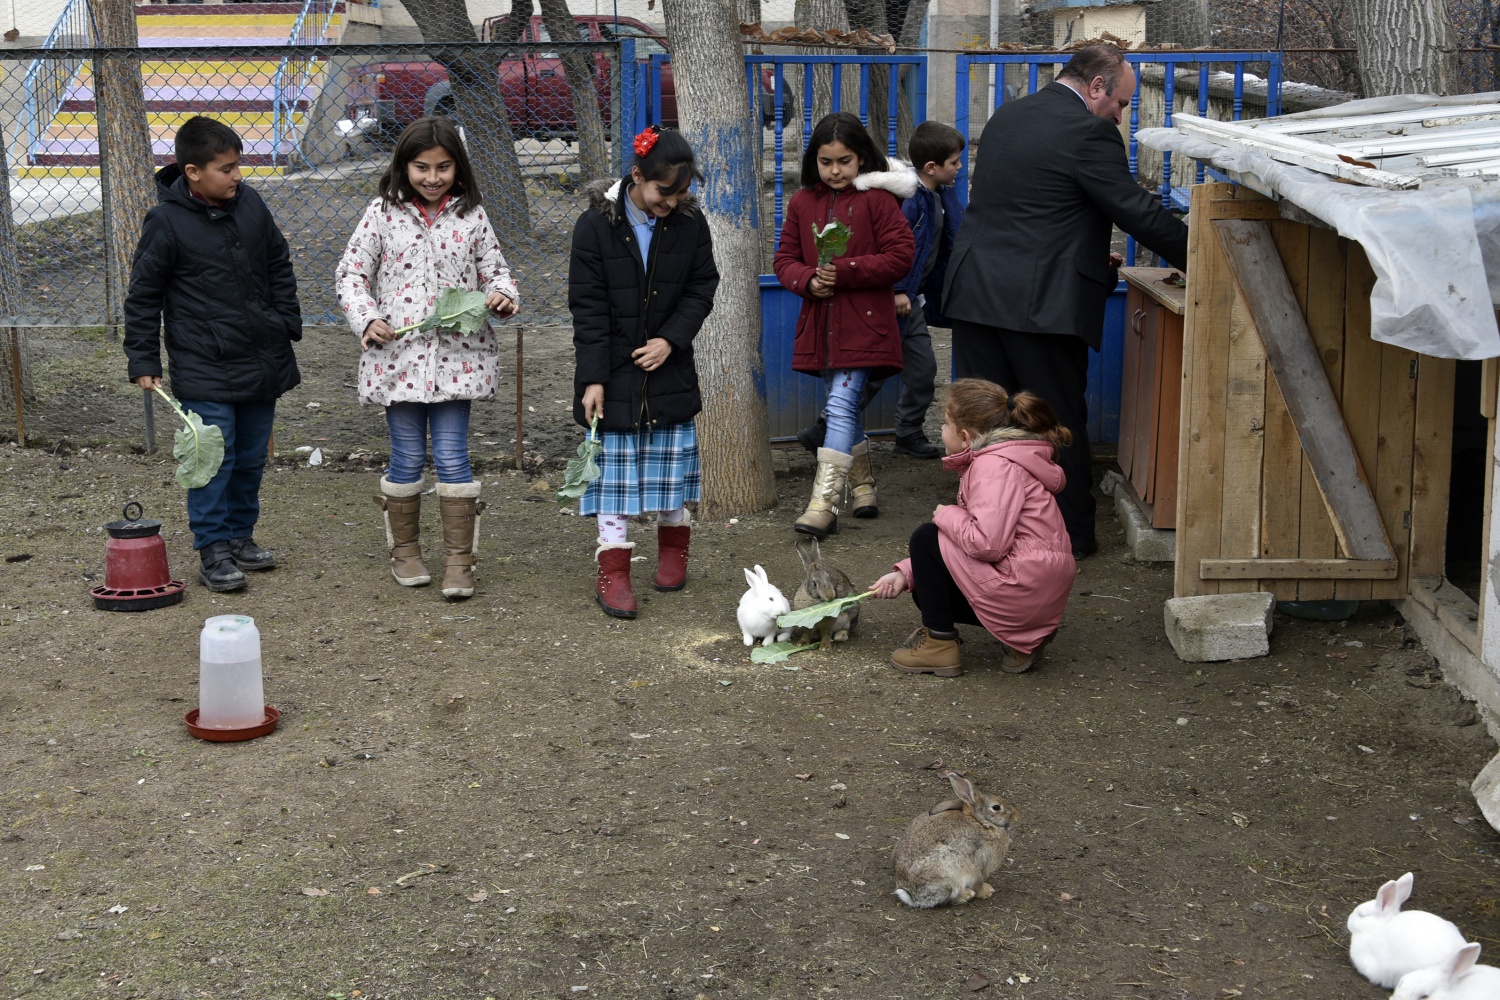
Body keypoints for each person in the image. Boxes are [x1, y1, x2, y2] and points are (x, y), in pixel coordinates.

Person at [941, 43, 1189, 561]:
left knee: (986, 424)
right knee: (1052, 421)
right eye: (1120, 103)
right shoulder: (1088, 131)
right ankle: (1071, 537)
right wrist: (1204, 251)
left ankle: (988, 532)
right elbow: (1134, 210)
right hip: (1041, 305)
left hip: (977, 292)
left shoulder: (1009, 115)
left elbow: (1032, 206)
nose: (1120, 115)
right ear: (1096, 87)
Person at [335, 116, 519, 600]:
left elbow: (496, 270)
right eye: (421, 167)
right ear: (404, 166)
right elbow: (351, 274)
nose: (432, 177)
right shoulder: (381, 213)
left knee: (454, 457)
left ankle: (460, 562)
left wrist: (500, 294)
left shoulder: (471, 215)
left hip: (459, 361)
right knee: (409, 456)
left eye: (442, 167)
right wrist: (368, 318)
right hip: (399, 360)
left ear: (458, 169)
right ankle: (406, 552)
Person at [124, 115, 303, 594]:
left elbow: (277, 262)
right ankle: (213, 549)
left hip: (261, 358)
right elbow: (144, 295)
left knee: (249, 458)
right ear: (193, 171)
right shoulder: (166, 222)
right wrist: (143, 359)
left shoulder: (251, 205)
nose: (237, 176)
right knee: (212, 461)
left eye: (238, 166)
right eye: (226, 168)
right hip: (204, 364)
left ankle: (241, 537)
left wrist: (285, 320)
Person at [569, 125, 719, 619]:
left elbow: (702, 287)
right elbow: (587, 307)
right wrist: (593, 379)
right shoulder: (594, 226)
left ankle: (674, 548)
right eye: (663, 192)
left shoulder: (691, 225)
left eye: (681, 193)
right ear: (637, 175)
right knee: (612, 477)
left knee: (669, 468)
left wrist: (671, 340)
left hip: (668, 369)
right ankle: (613, 571)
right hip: (612, 371)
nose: (672, 203)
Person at [872, 378, 1075, 678]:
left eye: (944, 424)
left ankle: (939, 649)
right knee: (925, 587)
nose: (940, 432)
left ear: (965, 436)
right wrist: (907, 572)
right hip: (1037, 593)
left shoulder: (992, 467)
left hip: (1023, 590)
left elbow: (987, 544)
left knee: (927, 537)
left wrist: (947, 514)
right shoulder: (1010, 458)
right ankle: (1024, 639)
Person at [774, 111, 916, 536]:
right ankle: (865, 485)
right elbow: (784, 260)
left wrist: (847, 269)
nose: (835, 170)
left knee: (838, 405)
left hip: (865, 323)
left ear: (862, 160)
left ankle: (824, 504)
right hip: (821, 324)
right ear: (813, 161)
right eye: (826, 161)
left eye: (845, 161)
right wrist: (807, 280)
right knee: (845, 407)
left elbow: (901, 255)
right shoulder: (802, 202)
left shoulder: (879, 200)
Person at [792, 120, 965, 462]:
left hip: (912, 297)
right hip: (891, 300)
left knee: (912, 370)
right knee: (866, 375)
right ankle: (831, 448)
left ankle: (880, 443)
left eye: (844, 161)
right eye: (955, 162)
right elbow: (904, 250)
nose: (960, 167)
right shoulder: (908, 200)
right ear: (932, 166)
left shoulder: (938, 196)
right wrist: (899, 291)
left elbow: (930, 249)